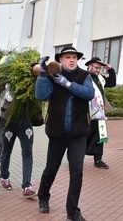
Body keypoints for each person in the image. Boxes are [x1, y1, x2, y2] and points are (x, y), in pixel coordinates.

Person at [35, 46, 95, 221]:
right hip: (57, 133)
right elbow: (41, 96)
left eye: (74, 57)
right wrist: (43, 75)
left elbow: (89, 94)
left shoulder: (85, 76)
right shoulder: (52, 77)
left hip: (78, 134)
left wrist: (68, 84)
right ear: (60, 60)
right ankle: (43, 197)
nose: (71, 60)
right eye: (67, 57)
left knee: (77, 172)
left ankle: (72, 212)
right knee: (51, 169)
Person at [0, 85, 37, 199]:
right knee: (6, 151)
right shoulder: (10, 80)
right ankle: (4, 177)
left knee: (27, 153)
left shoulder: (31, 81)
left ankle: (27, 186)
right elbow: (9, 97)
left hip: (26, 122)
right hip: (10, 121)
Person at [85, 57, 116, 169]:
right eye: (96, 67)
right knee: (83, 136)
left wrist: (110, 70)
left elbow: (112, 83)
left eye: (99, 68)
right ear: (89, 66)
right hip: (86, 113)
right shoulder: (83, 77)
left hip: (100, 114)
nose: (98, 70)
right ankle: (75, 158)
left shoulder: (100, 78)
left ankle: (98, 160)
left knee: (99, 137)